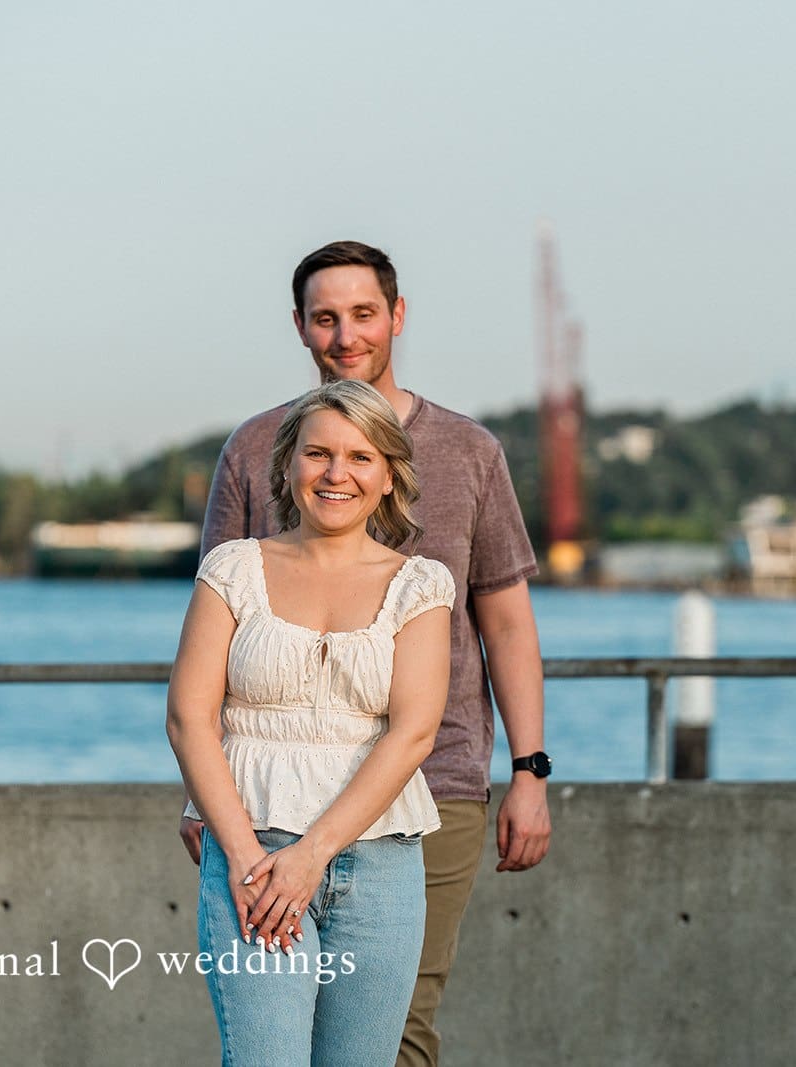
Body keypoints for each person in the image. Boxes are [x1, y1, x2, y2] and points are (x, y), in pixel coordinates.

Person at [183, 240, 553, 1067]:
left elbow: (507, 623)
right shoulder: (252, 448)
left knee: (399, 1034)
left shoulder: (470, 450)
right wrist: (206, 803)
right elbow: (214, 643)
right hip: (261, 794)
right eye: (326, 317)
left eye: (362, 314)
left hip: (436, 781)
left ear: (397, 316)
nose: (346, 335)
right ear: (301, 328)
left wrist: (530, 768)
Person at [168, 380, 455, 1066]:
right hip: (252, 857)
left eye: (360, 456)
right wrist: (242, 858)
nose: (337, 473)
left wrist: (312, 855)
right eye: (317, 452)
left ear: (389, 475)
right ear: (288, 464)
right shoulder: (234, 568)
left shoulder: (421, 585)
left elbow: (413, 732)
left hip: (380, 867)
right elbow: (188, 716)